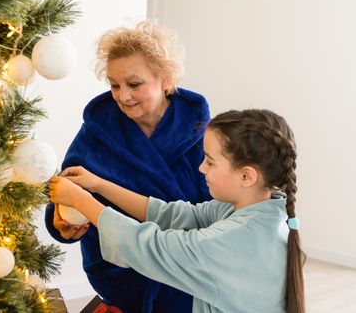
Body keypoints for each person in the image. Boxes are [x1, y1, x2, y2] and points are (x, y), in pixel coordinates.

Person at [49, 109, 306, 313]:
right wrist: (99, 185)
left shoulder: (236, 240)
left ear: (247, 176)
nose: (201, 168)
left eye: (210, 161)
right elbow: (178, 216)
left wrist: (83, 202)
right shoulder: (264, 209)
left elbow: (152, 247)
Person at [44, 21, 212, 312]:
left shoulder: (201, 132)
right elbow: (66, 192)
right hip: (120, 279)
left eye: (134, 84)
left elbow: (217, 212)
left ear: (165, 78)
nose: (123, 96)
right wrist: (60, 222)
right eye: (114, 85)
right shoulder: (98, 131)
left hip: (186, 280)